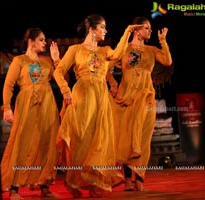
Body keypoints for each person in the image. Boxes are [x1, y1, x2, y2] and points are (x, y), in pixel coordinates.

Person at [53, 14, 141, 198]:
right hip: (82, 98)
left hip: (101, 100)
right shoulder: (75, 49)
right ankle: (74, 181)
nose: (105, 31)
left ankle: (95, 183)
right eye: (102, 27)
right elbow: (59, 72)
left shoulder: (105, 50)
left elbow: (117, 55)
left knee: (100, 141)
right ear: (92, 30)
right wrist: (65, 91)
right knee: (81, 141)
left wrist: (127, 32)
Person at [0, 27, 61, 200]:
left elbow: (62, 80)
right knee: (23, 143)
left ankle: (44, 185)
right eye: (42, 39)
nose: (45, 42)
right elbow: (8, 85)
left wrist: (57, 61)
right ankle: (14, 189)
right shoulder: (19, 60)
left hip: (47, 105)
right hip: (27, 104)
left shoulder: (46, 61)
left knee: (47, 143)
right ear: (31, 41)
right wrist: (7, 107)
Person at [110, 16, 172, 191]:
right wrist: (113, 84)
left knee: (143, 139)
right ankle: (127, 180)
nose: (150, 31)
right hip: (126, 98)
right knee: (127, 139)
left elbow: (167, 61)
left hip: (145, 99)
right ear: (136, 29)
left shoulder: (152, 50)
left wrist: (163, 40)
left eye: (150, 29)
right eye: (146, 28)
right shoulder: (124, 49)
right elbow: (107, 67)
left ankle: (139, 179)